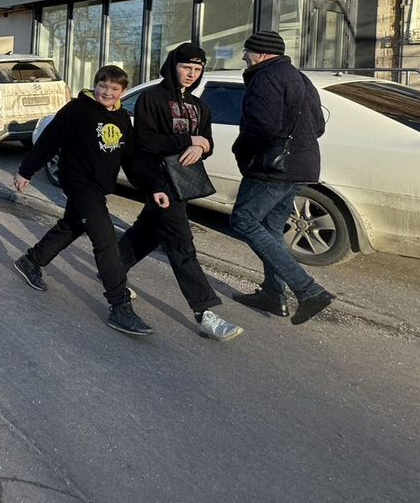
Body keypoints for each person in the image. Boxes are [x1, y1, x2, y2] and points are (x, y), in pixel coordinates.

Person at [12, 65, 155, 336]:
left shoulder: (123, 118)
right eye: (103, 86)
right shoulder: (78, 110)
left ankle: (31, 261)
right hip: (78, 182)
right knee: (105, 239)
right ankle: (119, 306)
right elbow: (49, 140)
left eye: (114, 89)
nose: (107, 92)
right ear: (96, 85)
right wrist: (26, 170)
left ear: (123, 92)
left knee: (73, 225)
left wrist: (152, 187)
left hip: (99, 187)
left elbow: (131, 158)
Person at [118, 43, 243, 342]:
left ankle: (112, 268)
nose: (191, 74)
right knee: (181, 243)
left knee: (147, 233)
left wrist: (202, 146)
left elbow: (207, 143)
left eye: (197, 69)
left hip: (183, 181)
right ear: (173, 66)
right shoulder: (151, 98)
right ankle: (205, 313)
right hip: (159, 180)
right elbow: (147, 141)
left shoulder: (201, 106)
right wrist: (190, 139)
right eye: (186, 67)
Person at [229, 30, 334, 325]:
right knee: (271, 228)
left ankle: (308, 290)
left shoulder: (265, 78)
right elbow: (319, 126)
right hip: (301, 167)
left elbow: (261, 127)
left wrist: (242, 151)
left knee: (244, 220)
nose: (244, 57)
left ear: (261, 53)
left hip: (271, 167)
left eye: (247, 51)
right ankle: (274, 295)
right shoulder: (300, 77)